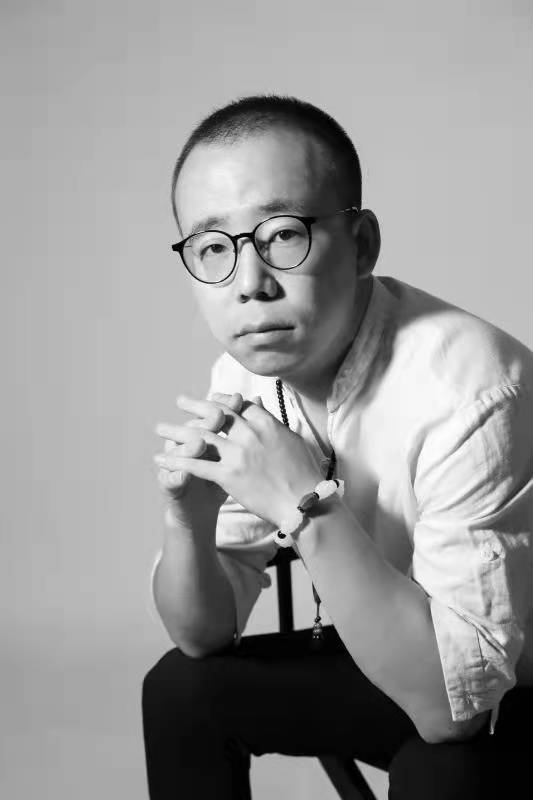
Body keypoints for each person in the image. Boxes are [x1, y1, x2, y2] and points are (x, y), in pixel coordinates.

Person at [142, 95, 533, 800]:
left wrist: (304, 504)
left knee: (441, 768)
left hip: (505, 690)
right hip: (396, 653)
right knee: (180, 691)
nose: (249, 285)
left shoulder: (474, 392)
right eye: (213, 248)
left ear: (361, 244)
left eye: (282, 235)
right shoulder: (245, 376)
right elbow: (203, 634)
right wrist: (187, 522)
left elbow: (455, 712)